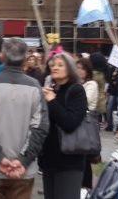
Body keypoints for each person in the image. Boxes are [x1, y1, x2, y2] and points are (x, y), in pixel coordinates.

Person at [0, 37, 49, 199]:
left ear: (2, 56)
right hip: (22, 171)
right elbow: (40, 128)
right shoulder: (35, 87)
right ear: (25, 58)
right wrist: (23, 160)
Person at [39, 52, 87, 199]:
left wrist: (52, 101)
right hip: (49, 159)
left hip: (69, 161)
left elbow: (70, 123)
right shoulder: (52, 90)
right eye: (53, 65)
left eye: (60, 65)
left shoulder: (76, 90)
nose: (55, 68)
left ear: (70, 69)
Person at [77, 58, 98, 191]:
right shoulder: (78, 83)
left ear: (87, 70)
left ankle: (88, 188)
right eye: (77, 68)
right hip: (80, 125)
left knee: (89, 157)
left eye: (82, 68)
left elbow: (85, 100)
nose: (79, 71)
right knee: (83, 157)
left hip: (87, 125)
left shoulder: (91, 84)